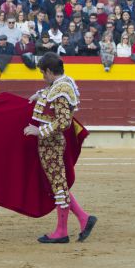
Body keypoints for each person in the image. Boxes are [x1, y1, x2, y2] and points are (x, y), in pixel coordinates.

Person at [23, 53, 96, 244]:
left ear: (49, 71)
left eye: (42, 73)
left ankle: (62, 231)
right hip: (50, 143)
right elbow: (51, 93)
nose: (42, 77)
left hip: (52, 143)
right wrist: (39, 94)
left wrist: (39, 131)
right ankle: (83, 218)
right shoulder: (62, 84)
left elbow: (63, 122)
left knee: (58, 185)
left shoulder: (62, 88)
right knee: (58, 183)